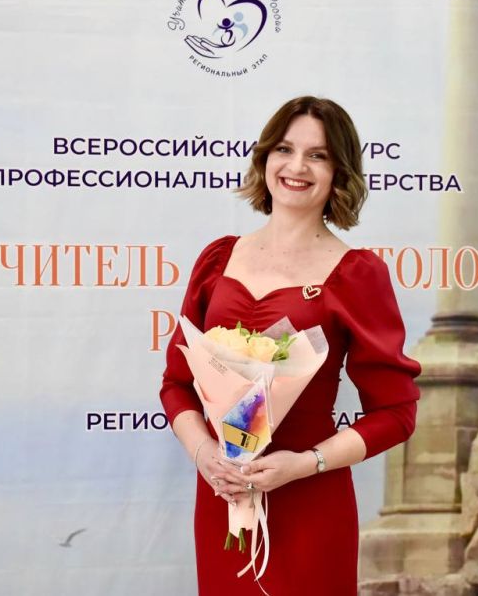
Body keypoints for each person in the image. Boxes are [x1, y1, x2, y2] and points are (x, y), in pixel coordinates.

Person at [159, 96, 421, 596]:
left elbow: (396, 413)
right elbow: (177, 384)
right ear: (265, 158)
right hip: (223, 495)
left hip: (310, 498)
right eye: (284, 149)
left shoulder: (357, 274)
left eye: (317, 155)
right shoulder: (218, 259)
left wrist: (304, 464)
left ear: (339, 172)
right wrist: (205, 454)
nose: (297, 166)